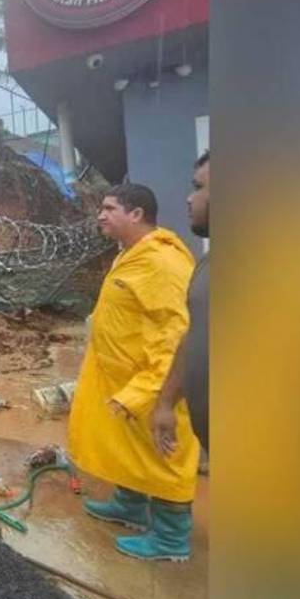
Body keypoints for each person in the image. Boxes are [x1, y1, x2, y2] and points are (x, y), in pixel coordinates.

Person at [68, 183, 199, 561]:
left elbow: (177, 335)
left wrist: (149, 393)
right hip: (121, 377)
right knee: (128, 448)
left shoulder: (162, 263)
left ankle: (171, 540)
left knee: (164, 457)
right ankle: (130, 505)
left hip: (155, 384)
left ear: (136, 214)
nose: (100, 215)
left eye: (109, 208)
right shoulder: (130, 254)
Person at [153, 151, 210, 464]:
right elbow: (193, 335)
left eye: (199, 187)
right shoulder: (207, 266)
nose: (189, 198)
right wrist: (166, 403)